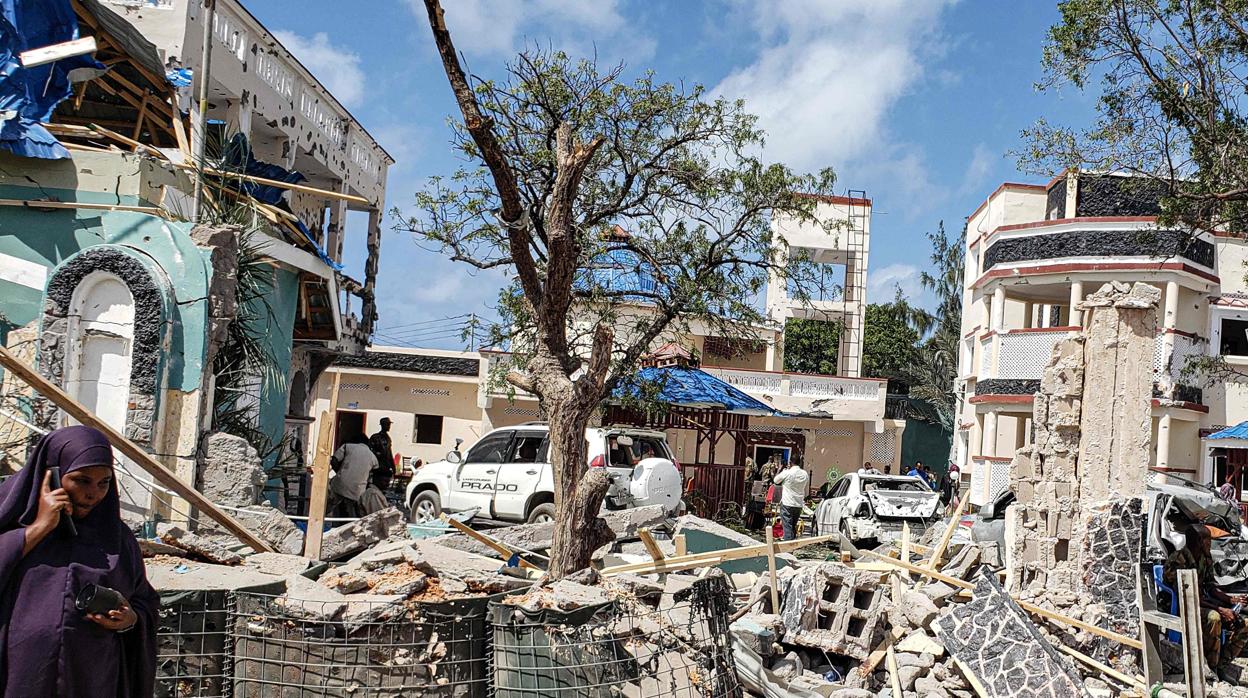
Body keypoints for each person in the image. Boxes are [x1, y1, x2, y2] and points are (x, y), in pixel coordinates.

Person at [0, 425, 158, 696]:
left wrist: (130, 619)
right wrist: (38, 529)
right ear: (52, 474)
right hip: (19, 675)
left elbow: (143, 600)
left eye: (104, 482)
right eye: (82, 480)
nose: (93, 493)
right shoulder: (13, 526)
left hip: (92, 676)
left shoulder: (116, 539)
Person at [1163, 523, 1248, 682]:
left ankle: (1221, 665)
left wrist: (1231, 600)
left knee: (1244, 624)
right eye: (1209, 540)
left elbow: (1210, 586)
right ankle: (1209, 667)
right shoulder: (1177, 561)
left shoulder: (1205, 558)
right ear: (1200, 541)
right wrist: (1221, 609)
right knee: (1214, 617)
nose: (1211, 543)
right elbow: (1187, 595)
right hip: (1184, 605)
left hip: (1203, 602)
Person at [329, 434, 377, 518]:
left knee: (329, 506)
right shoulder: (373, 457)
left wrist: (339, 472)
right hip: (357, 490)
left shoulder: (347, 446)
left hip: (339, 484)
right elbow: (373, 472)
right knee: (353, 514)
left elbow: (334, 460)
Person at [773, 458, 810, 541]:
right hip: (798, 504)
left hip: (787, 503)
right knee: (793, 527)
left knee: (787, 528)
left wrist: (780, 469)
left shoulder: (787, 473)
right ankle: (792, 546)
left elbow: (775, 481)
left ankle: (788, 549)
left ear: (790, 463)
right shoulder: (804, 474)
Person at [368, 418, 395, 492]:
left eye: (389, 424)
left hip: (386, 468)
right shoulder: (375, 437)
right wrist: (378, 455)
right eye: (387, 424)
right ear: (383, 425)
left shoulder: (388, 438)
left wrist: (393, 466)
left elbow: (389, 453)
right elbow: (370, 451)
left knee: (385, 489)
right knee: (376, 488)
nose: (389, 426)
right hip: (378, 468)